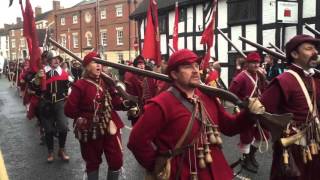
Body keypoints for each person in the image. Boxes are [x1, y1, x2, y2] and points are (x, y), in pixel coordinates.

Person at [127, 49, 263, 180]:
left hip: (218, 171)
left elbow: (229, 127)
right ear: (174, 74)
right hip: (183, 173)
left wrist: (249, 114)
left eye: (197, 65)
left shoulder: (208, 96)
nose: (195, 70)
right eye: (187, 66)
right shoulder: (160, 104)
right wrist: (158, 167)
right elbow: (136, 142)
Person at [260, 34, 320, 180]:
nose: (315, 52)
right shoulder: (283, 81)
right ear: (294, 54)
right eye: (309, 48)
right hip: (292, 151)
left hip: (314, 146)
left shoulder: (313, 79)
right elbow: (262, 115)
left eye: (315, 49)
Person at [64, 52, 126, 180]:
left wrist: (126, 102)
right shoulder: (80, 85)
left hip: (110, 124)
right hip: (90, 128)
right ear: (87, 67)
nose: (99, 65)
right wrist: (81, 118)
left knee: (116, 160)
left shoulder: (108, 82)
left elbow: (116, 103)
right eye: (95, 62)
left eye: (100, 63)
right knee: (92, 162)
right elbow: (69, 110)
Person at [229, 52, 269, 173]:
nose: (256, 65)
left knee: (263, 135)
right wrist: (240, 103)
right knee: (246, 137)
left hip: (258, 110)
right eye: (253, 62)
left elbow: (264, 89)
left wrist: (264, 77)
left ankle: (251, 155)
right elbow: (231, 92)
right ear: (247, 64)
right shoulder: (241, 77)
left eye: (257, 62)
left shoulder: (259, 75)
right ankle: (246, 160)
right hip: (246, 111)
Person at [36, 50, 71, 163]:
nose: (57, 60)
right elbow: (33, 86)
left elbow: (70, 86)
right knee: (49, 130)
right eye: (54, 58)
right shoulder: (42, 72)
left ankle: (61, 150)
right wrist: (37, 78)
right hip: (46, 104)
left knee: (64, 127)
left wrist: (68, 93)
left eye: (58, 58)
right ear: (49, 60)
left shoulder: (64, 73)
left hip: (60, 103)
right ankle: (50, 152)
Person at [124, 55, 157, 125]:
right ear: (136, 66)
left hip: (148, 107)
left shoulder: (150, 76)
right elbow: (129, 95)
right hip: (137, 107)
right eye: (139, 64)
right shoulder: (131, 78)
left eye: (143, 64)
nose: (141, 66)